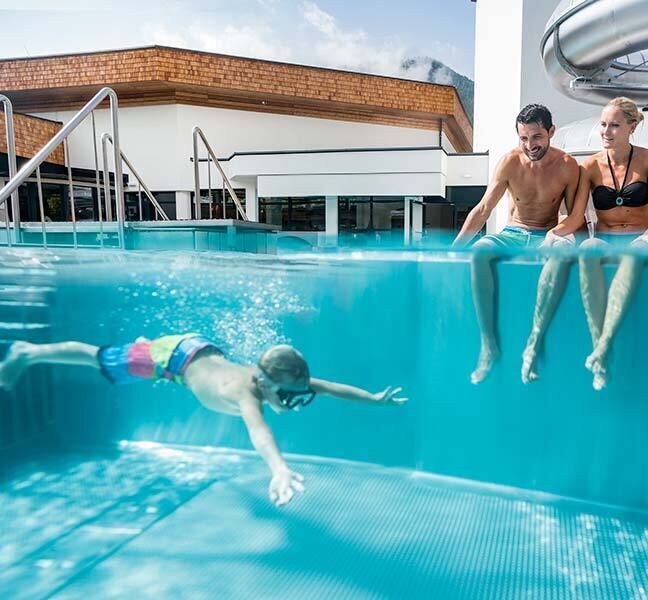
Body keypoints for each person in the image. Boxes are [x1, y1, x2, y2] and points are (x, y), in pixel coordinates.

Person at [0, 333, 407, 506]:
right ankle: (27, 352)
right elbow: (259, 433)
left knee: (286, 401)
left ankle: (30, 353)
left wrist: (373, 399)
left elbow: (330, 386)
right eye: (284, 390)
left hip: (199, 350)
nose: (294, 393)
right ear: (265, 381)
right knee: (100, 359)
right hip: (172, 359)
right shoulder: (247, 391)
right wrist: (280, 469)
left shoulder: (275, 376)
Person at [452, 104, 582, 384]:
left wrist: (557, 237)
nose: (529, 145)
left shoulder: (568, 166)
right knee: (479, 251)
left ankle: (535, 342)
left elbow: (573, 217)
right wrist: (454, 249)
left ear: (551, 132)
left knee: (562, 252)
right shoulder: (510, 162)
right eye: (523, 138)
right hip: (512, 233)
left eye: (536, 137)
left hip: (546, 234)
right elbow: (484, 209)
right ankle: (489, 345)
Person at [579, 97, 648, 390]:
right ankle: (600, 347)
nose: (606, 131)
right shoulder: (589, 165)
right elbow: (577, 214)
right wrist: (556, 234)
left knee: (631, 256)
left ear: (632, 126)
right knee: (587, 250)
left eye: (614, 125)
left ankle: (603, 350)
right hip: (603, 239)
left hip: (639, 238)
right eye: (603, 124)